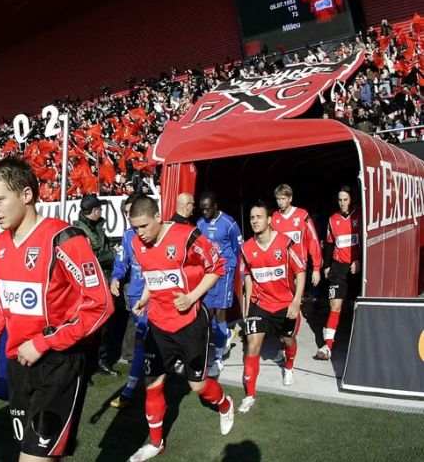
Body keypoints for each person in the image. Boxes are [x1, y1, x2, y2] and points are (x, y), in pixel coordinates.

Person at [0, 157, 111, 461]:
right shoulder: (0, 245)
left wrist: (44, 342)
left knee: (33, 457)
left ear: (26, 195)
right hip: (19, 365)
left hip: (59, 362)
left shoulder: (64, 239)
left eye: (0, 199)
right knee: (36, 452)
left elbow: (101, 304)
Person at [127, 195, 234, 462]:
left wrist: (192, 296)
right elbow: (154, 274)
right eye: (135, 227)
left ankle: (225, 404)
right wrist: (144, 298)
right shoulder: (136, 242)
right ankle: (155, 443)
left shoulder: (187, 236)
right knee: (152, 384)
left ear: (157, 217)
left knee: (197, 386)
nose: (139, 234)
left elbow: (216, 268)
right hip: (158, 325)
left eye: (144, 226)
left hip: (190, 324)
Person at [238, 201, 306, 413]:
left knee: (288, 339)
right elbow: (248, 274)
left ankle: (289, 365)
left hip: (285, 304)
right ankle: (249, 394)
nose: (255, 221)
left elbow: (301, 271)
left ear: (269, 219)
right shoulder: (246, 248)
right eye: (252, 218)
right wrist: (248, 301)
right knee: (253, 345)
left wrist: (296, 301)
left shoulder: (285, 244)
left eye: (259, 217)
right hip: (260, 304)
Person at [74, 193, 124, 376]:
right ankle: (86, 364)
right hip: (90, 285)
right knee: (89, 326)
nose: (101, 211)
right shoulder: (79, 231)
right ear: (93, 211)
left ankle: (98, 361)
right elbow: (89, 258)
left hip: (102, 281)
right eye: (99, 209)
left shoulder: (96, 228)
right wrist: (112, 254)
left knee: (104, 325)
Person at [197, 191, 243, 377]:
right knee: (207, 313)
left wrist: (229, 265)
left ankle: (218, 358)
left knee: (220, 312)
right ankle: (225, 336)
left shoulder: (229, 223)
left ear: (215, 205)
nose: (205, 212)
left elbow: (238, 246)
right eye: (202, 209)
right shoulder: (200, 224)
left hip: (225, 272)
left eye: (207, 208)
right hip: (208, 273)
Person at [314, 186, 362, 361]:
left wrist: (360, 261)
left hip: (357, 267)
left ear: (352, 200)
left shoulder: (360, 216)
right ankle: (328, 346)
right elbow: (329, 244)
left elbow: (368, 241)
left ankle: (358, 344)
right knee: (335, 306)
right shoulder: (333, 219)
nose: (342, 203)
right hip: (339, 267)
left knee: (356, 307)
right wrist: (326, 265)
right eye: (340, 200)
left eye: (345, 199)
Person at [109, 194, 147, 408]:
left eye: (132, 212)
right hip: (136, 295)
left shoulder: (159, 234)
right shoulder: (127, 236)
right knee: (141, 339)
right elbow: (122, 260)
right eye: (126, 213)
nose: (129, 217)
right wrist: (116, 277)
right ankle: (130, 389)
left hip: (159, 297)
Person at [272, 184, 323, 329]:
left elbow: (313, 240)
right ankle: (287, 332)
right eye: (278, 199)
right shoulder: (274, 218)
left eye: (283, 198)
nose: (280, 202)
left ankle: (290, 332)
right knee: (285, 299)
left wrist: (317, 267)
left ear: (290, 198)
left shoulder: (302, 215)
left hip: (299, 267)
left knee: (295, 298)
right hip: (281, 266)